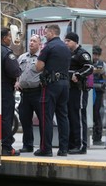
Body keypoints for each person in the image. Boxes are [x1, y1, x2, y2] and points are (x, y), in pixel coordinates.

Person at [34, 24, 71, 157]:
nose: (44, 35)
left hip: (51, 85)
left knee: (46, 117)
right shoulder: (66, 48)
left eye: (46, 33)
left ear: (51, 32)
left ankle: (46, 149)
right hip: (65, 84)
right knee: (63, 117)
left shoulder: (48, 47)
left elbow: (38, 67)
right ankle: (63, 149)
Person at [64, 32, 93, 154]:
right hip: (69, 89)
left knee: (79, 117)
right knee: (70, 116)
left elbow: (89, 67)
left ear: (75, 41)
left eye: (68, 41)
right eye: (65, 41)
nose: (66, 43)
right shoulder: (67, 54)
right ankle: (72, 145)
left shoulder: (82, 54)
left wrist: (78, 74)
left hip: (78, 89)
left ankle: (81, 146)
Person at [14, 34, 42, 153]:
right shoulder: (22, 57)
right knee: (25, 119)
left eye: (34, 41)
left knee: (42, 120)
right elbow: (16, 71)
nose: (31, 43)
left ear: (39, 44)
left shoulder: (42, 57)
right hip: (24, 93)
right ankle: (28, 145)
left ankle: (43, 146)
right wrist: (16, 82)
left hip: (38, 93)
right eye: (30, 41)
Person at [1, 27, 22, 156]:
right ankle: (7, 147)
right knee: (6, 118)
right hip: (5, 89)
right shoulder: (8, 53)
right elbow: (15, 71)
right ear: (4, 38)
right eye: (9, 37)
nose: (10, 39)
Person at [92, 45, 106, 145]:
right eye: (94, 54)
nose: (96, 57)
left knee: (97, 113)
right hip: (89, 91)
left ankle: (97, 137)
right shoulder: (87, 63)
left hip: (98, 91)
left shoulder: (102, 64)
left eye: (97, 55)